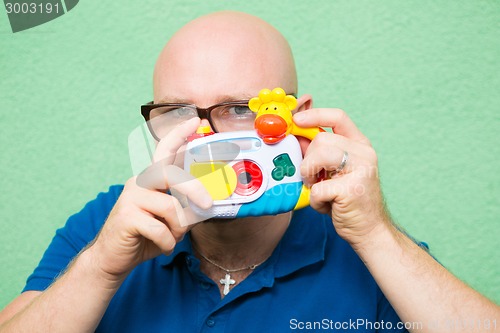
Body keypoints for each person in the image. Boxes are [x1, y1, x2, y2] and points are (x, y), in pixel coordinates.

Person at [0, 10, 498, 333]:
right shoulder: (108, 224)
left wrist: (376, 236)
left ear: (300, 120)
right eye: (176, 111)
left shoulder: (366, 246)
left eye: (239, 109)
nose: (202, 139)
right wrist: (102, 267)